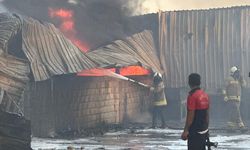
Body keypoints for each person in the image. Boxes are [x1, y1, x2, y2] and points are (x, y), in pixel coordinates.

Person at [181, 73, 209, 150]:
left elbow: (191, 115)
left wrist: (186, 130)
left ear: (189, 83)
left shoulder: (192, 96)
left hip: (194, 131)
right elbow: (207, 113)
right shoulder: (205, 95)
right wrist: (206, 129)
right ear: (199, 82)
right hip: (203, 130)